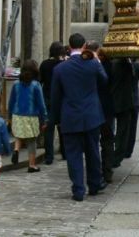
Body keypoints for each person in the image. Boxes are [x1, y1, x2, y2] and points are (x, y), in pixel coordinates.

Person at [51, 33, 108, 202]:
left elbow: (55, 97)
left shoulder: (60, 69)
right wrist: (97, 61)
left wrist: (55, 119)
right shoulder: (92, 64)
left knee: (73, 154)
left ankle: (78, 189)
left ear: (69, 47)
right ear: (84, 46)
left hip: (70, 116)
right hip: (92, 115)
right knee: (93, 151)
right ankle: (94, 184)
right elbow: (104, 81)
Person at [8, 60, 47, 172]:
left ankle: (16, 150)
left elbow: (11, 101)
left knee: (18, 135)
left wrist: (10, 116)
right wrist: (44, 119)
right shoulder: (36, 85)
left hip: (17, 114)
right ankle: (32, 164)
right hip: (31, 115)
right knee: (31, 140)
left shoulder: (16, 84)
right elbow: (41, 104)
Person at [39, 42, 67, 164]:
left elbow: (41, 81)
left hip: (48, 98)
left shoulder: (45, 64)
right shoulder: (63, 65)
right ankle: (65, 153)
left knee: (49, 130)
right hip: (61, 99)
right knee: (62, 128)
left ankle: (49, 156)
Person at [92, 42, 115, 184]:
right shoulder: (110, 66)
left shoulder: (92, 66)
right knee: (106, 141)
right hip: (105, 108)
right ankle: (106, 171)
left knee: (99, 141)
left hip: (98, 108)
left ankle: (102, 171)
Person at [109, 57, 134, 168]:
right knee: (122, 132)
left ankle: (110, 155)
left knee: (110, 130)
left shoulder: (111, 63)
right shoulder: (127, 64)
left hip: (112, 100)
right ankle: (117, 157)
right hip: (124, 102)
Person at [125, 59, 139, 158]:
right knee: (132, 127)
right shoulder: (137, 66)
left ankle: (122, 148)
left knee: (123, 127)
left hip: (123, 100)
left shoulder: (118, 64)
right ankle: (128, 150)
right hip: (134, 100)